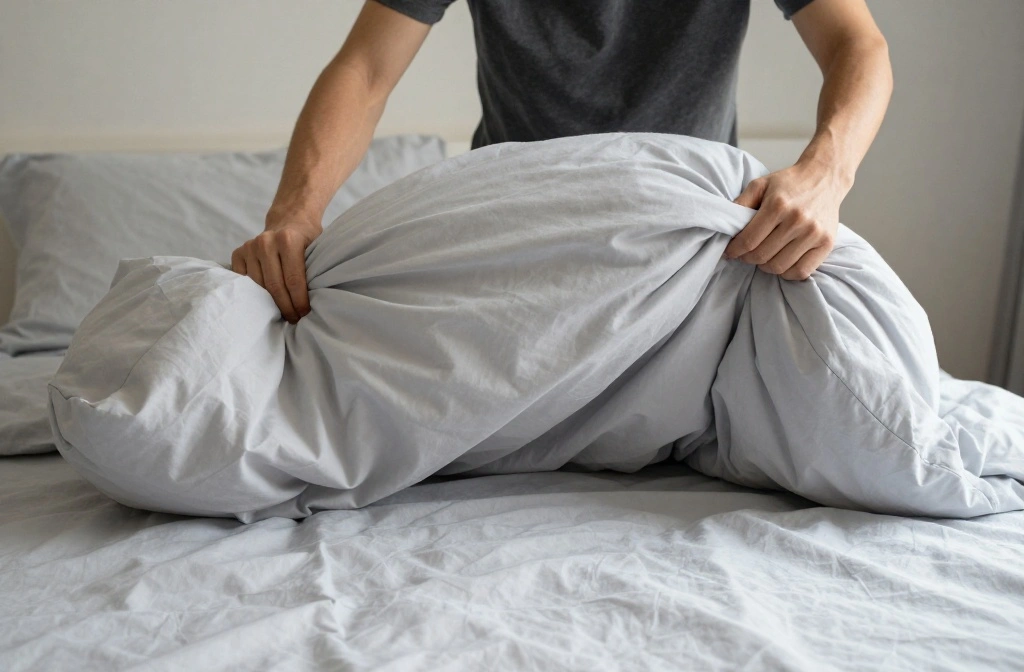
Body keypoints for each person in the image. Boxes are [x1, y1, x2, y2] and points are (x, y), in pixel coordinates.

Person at [232, 0, 892, 324]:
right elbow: (366, 68)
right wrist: (295, 213)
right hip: (513, 247)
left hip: (687, 252)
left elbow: (857, 44)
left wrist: (824, 177)